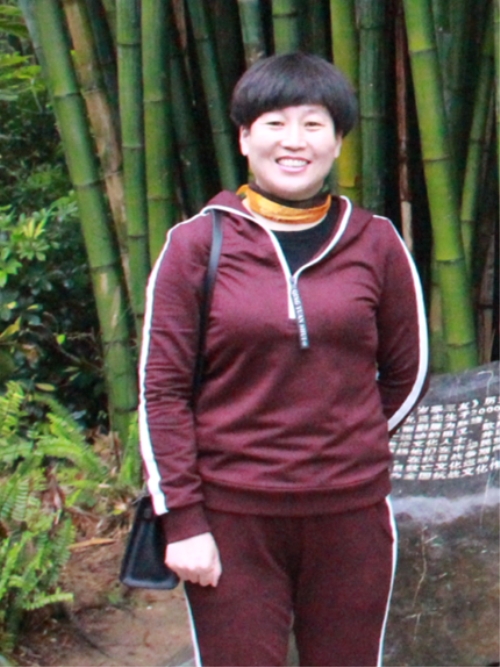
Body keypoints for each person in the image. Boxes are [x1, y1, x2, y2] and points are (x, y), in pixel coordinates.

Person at [139, 52, 429, 667]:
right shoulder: (196, 245)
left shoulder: (376, 241)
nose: (294, 141)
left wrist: (342, 436)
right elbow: (160, 393)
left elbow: (409, 373)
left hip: (351, 514)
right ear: (245, 138)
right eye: (274, 123)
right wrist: (183, 519)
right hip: (232, 515)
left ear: (337, 141)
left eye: (313, 124)